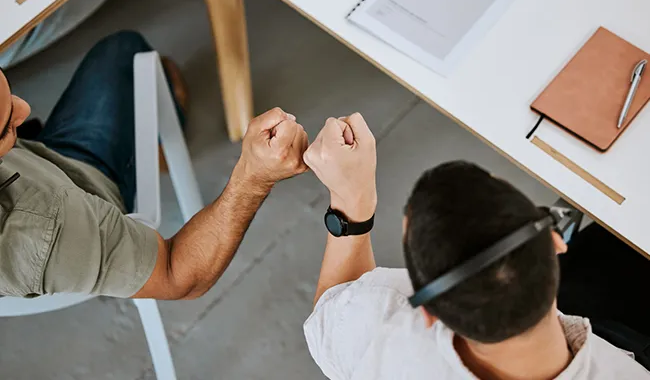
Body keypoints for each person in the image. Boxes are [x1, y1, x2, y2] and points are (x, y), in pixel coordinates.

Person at [302, 114, 649, 379]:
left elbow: (334, 314)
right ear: (557, 242)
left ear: (428, 312)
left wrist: (352, 199)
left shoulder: (383, 338)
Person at [0, 30, 308, 299]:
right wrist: (254, 177)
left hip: (36, 160)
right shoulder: (42, 225)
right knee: (128, 53)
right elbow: (178, 275)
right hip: (80, 195)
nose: (24, 107)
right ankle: (153, 142)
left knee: (121, 48)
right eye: (4, 129)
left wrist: (12, 141)